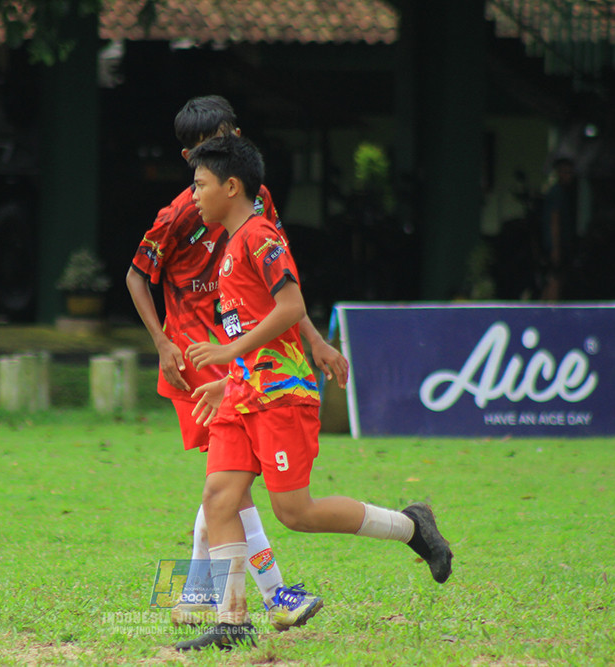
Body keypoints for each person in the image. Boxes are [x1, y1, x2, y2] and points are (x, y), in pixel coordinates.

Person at [175, 135, 452, 652]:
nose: (193, 196)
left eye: (200, 185)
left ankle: (412, 526)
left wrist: (226, 352)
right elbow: (260, 322)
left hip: (281, 394)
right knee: (219, 497)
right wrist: (228, 376)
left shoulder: (261, 236)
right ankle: (232, 620)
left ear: (231, 186)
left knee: (294, 513)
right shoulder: (230, 246)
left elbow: (288, 306)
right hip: (242, 393)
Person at [125, 96, 349, 632]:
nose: (221, 155)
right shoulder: (179, 212)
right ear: (190, 158)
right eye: (208, 150)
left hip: (243, 348)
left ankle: (205, 598)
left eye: (229, 139)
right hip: (196, 354)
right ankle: (256, 598)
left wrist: (314, 339)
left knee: (225, 487)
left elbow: (282, 287)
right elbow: (136, 275)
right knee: (227, 486)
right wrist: (161, 344)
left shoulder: (257, 203)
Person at [541, 157, 579, 301]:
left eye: (571, 172)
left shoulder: (564, 193)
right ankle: (549, 310)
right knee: (554, 278)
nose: (569, 176)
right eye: (566, 172)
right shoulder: (556, 193)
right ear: (558, 173)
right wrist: (556, 248)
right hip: (555, 246)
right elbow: (554, 220)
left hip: (559, 246)